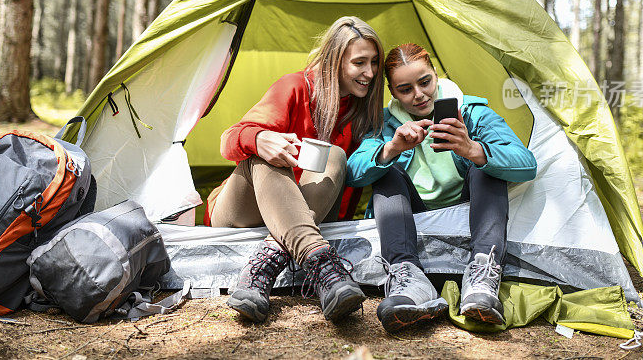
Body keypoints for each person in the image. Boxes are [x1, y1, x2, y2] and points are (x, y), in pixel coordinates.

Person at [206, 17, 386, 324]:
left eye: (373, 63)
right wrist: (259, 139)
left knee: (335, 156)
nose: (369, 73)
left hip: (309, 210)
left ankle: (262, 266)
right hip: (241, 211)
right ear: (334, 60)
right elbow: (227, 140)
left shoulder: (363, 113)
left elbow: (353, 177)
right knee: (264, 156)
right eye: (359, 63)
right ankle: (322, 265)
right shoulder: (294, 87)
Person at [346, 43, 537, 332]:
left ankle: (483, 274)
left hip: (468, 212)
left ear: (437, 75)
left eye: (425, 82)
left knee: (485, 165)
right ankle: (407, 275)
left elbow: (526, 163)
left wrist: (473, 149)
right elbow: (353, 172)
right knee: (386, 168)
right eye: (405, 89)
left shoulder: (471, 112)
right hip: (409, 220)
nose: (419, 95)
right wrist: (392, 147)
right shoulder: (385, 124)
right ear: (393, 92)